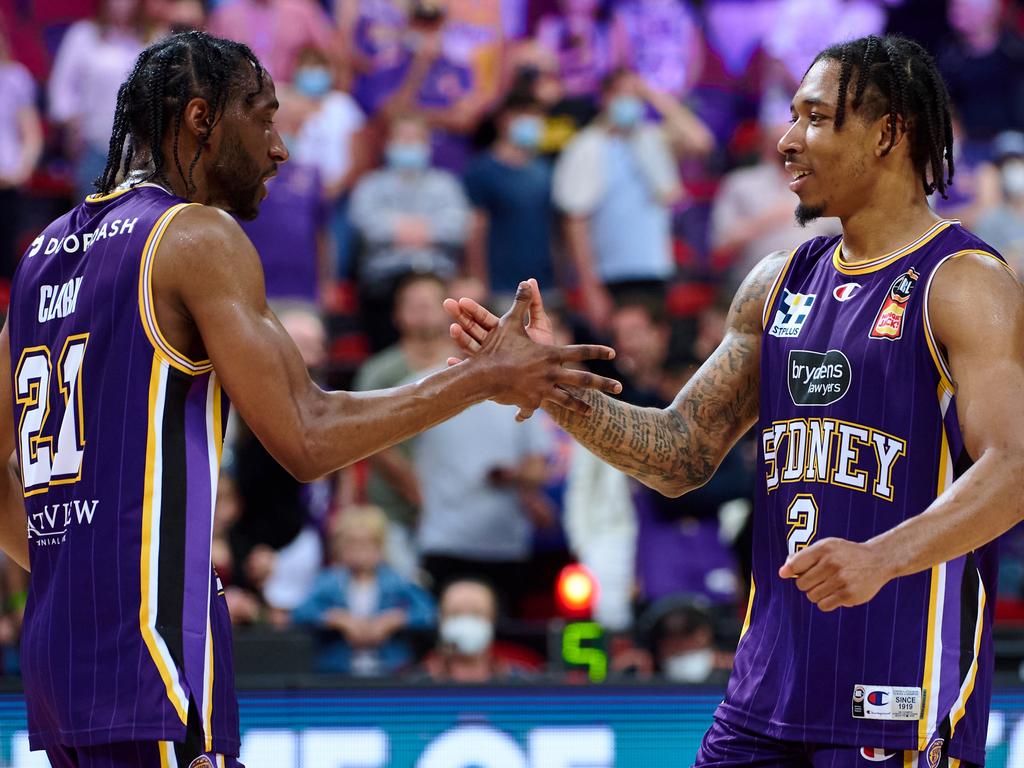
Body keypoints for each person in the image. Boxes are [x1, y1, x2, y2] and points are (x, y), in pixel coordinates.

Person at [0, 31, 620, 767]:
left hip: (58, 661)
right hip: (152, 655)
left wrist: (82, 574)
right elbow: (307, 435)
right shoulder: (194, 235)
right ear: (201, 119)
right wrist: (483, 376)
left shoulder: (42, 256)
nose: (280, 148)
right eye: (263, 119)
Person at [445, 34, 1024, 767]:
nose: (787, 140)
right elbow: (682, 452)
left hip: (898, 698)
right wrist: (552, 389)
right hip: (765, 692)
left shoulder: (966, 283)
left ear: (888, 133)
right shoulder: (776, 283)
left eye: (815, 118)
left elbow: (1016, 467)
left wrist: (883, 557)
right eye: (792, 117)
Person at [552, 67, 712, 332]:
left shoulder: (651, 140)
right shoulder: (587, 146)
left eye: (635, 96)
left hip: (653, 267)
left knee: (650, 353)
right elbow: (575, 221)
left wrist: (655, 96)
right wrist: (589, 286)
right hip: (609, 274)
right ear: (605, 98)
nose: (630, 102)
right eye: (622, 94)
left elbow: (701, 142)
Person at [349, 112, 470, 349]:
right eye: (403, 139)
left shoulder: (446, 184)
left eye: (416, 139)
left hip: (437, 276)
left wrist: (397, 228)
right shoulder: (370, 185)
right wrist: (426, 229)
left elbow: (456, 228)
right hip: (384, 282)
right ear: (389, 144)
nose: (409, 145)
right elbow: (368, 227)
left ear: (427, 145)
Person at [292, 505, 436, 676]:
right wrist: (337, 620)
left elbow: (428, 613)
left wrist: (394, 620)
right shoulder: (328, 581)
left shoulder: (397, 581)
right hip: (337, 671)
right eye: (352, 543)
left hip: (391, 670)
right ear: (340, 546)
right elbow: (300, 613)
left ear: (380, 546)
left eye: (367, 543)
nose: (360, 552)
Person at [463, 91, 556, 304]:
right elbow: (476, 230)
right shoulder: (482, 170)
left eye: (537, 116)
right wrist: (480, 282)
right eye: (523, 115)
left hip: (546, 286)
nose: (532, 122)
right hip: (501, 288)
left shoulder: (544, 170)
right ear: (503, 120)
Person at [419, 578, 536, 682]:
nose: (466, 623)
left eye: (476, 613)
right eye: (456, 613)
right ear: (441, 619)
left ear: (492, 618)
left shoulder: (520, 681)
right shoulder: (413, 682)